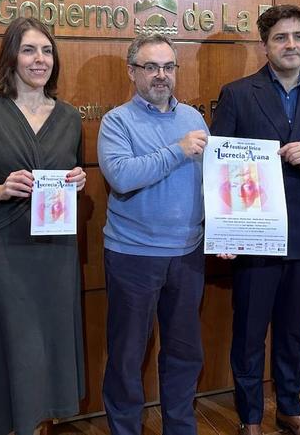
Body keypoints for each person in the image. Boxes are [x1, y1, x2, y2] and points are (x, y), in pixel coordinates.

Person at [210, 4, 300, 435]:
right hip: (254, 233)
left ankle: (290, 409)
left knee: (293, 330)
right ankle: (250, 418)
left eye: (297, 36)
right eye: (280, 37)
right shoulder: (238, 93)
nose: (290, 44)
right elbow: (220, 167)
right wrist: (224, 227)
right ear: (265, 45)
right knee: (250, 331)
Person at [0, 17, 86, 435]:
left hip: (56, 246)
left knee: (53, 337)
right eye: (29, 50)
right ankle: (14, 427)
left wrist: (78, 181)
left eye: (46, 51)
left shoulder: (68, 116)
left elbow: (69, 173)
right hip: (2, 245)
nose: (39, 59)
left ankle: (44, 423)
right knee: (12, 340)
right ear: (11, 56)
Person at [98, 33, 209, 435]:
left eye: (167, 67)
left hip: (187, 253)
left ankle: (180, 427)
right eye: (150, 67)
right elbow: (123, 177)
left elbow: (209, 184)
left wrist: (224, 232)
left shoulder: (194, 119)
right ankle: (125, 429)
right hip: (133, 255)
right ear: (133, 72)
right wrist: (177, 150)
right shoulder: (116, 121)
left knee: (184, 352)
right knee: (128, 355)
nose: (160, 75)